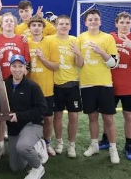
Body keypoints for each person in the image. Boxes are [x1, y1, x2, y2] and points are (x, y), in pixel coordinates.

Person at [98, 12, 131, 161]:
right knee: (107, 115)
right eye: (121, 22)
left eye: (127, 22)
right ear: (116, 24)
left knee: (128, 116)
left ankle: (129, 146)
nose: (124, 25)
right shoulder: (109, 37)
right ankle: (105, 139)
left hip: (129, 86)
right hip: (109, 85)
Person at [78, 9, 120, 164]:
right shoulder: (81, 38)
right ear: (85, 22)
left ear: (100, 22)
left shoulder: (107, 38)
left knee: (108, 118)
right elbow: (79, 63)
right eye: (90, 19)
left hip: (104, 84)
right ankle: (94, 144)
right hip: (87, 84)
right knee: (92, 117)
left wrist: (101, 52)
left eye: (96, 19)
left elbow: (113, 64)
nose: (93, 22)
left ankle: (113, 148)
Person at [0, 12, 31, 160]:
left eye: (11, 21)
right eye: (6, 21)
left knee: (18, 114)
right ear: (1, 24)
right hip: (1, 84)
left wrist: (23, 83)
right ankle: (0, 147)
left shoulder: (22, 40)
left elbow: (27, 64)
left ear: (15, 24)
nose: (9, 23)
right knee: (1, 118)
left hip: (18, 85)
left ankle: (20, 145)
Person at [5, 54, 48, 179]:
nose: (17, 69)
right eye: (14, 66)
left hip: (32, 124)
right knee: (16, 167)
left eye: (20, 66)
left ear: (25, 68)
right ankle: (33, 147)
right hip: (14, 128)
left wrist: (19, 116)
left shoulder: (32, 86)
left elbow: (42, 108)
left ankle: (38, 167)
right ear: (10, 67)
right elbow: (2, 103)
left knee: (23, 147)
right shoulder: (5, 84)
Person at [50, 15, 83, 158]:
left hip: (72, 84)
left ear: (70, 26)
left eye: (66, 24)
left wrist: (78, 53)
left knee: (73, 116)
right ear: (56, 26)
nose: (63, 26)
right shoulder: (50, 40)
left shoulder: (75, 40)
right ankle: (59, 142)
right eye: (61, 24)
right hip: (56, 84)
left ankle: (71, 145)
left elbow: (80, 64)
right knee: (56, 115)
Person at [27, 15, 60, 156]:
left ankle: (47, 143)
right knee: (30, 119)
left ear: (43, 28)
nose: (36, 28)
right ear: (29, 28)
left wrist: (42, 58)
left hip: (46, 89)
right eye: (33, 25)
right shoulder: (25, 42)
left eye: (39, 25)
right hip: (29, 90)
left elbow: (55, 66)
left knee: (47, 118)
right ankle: (31, 143)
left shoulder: (51, 43)